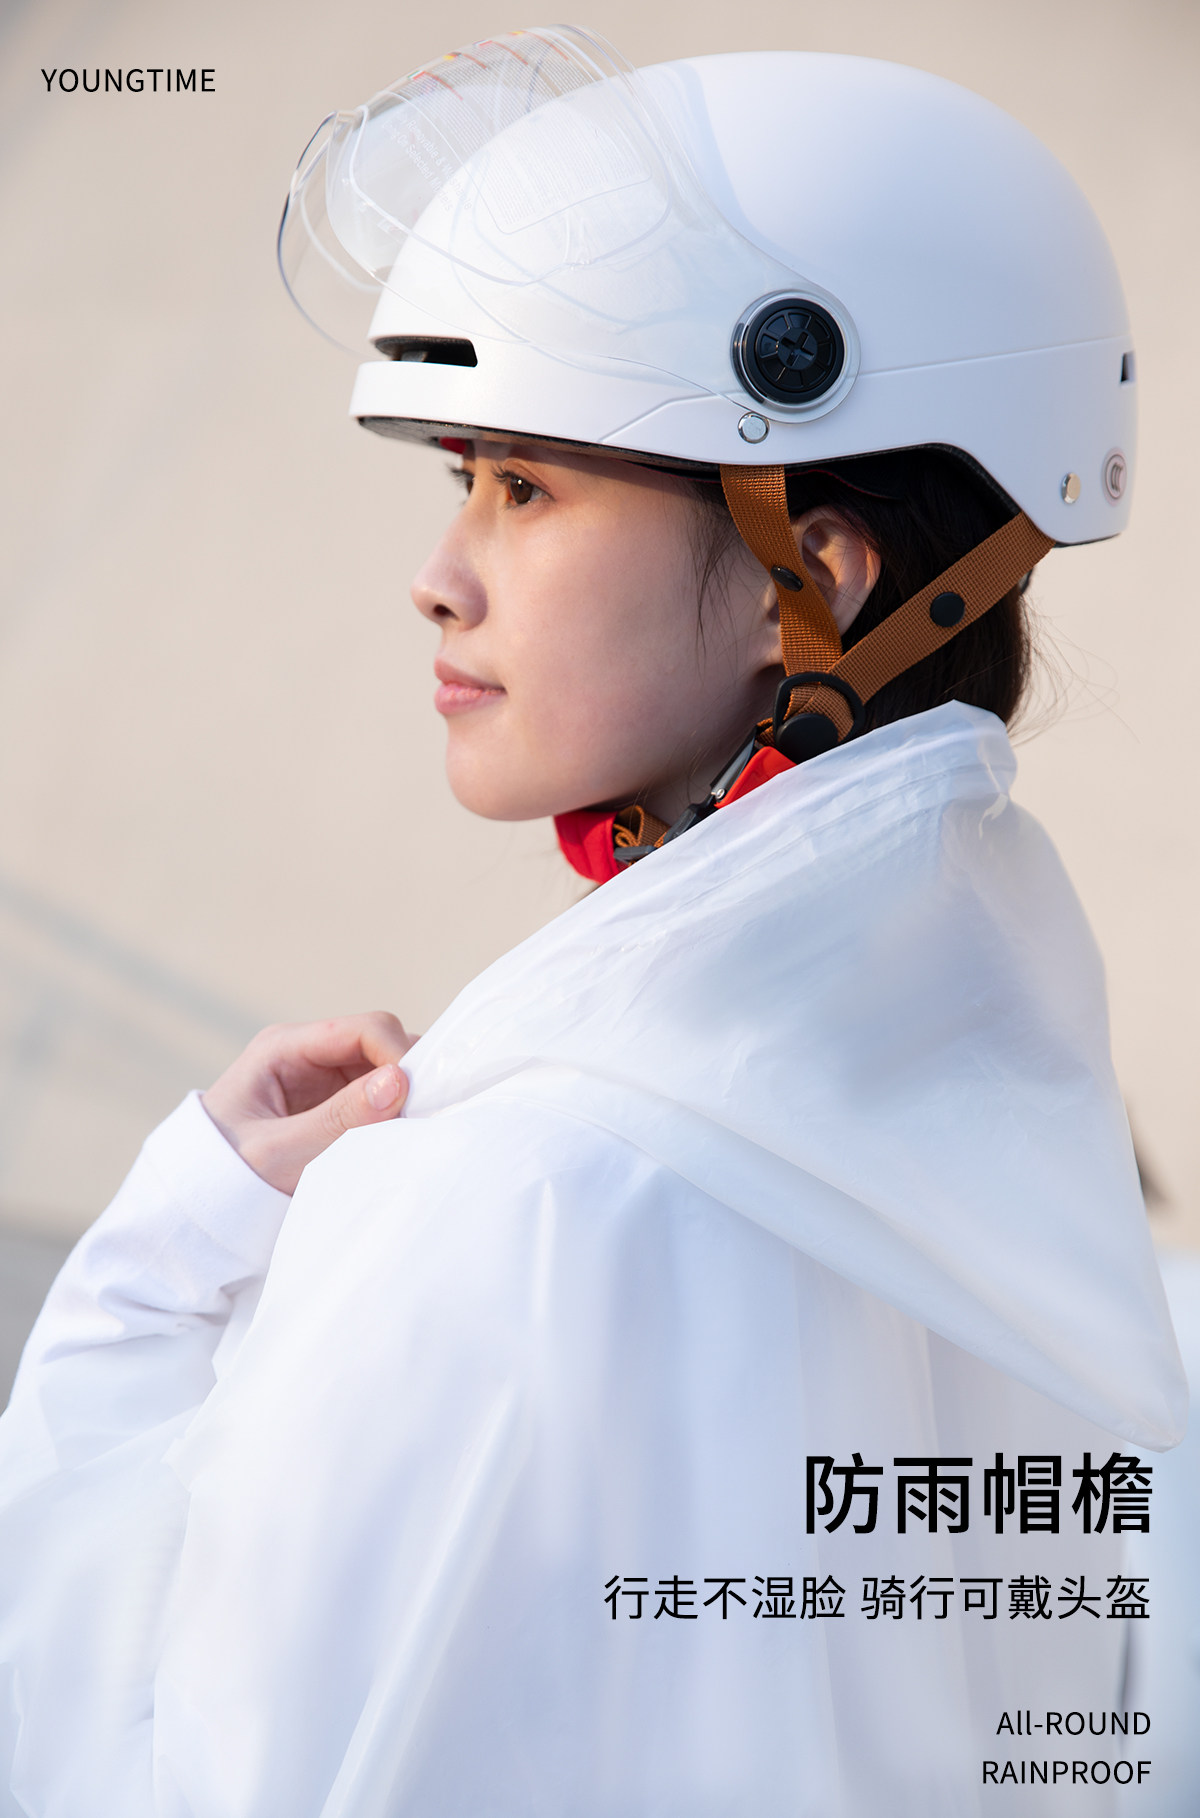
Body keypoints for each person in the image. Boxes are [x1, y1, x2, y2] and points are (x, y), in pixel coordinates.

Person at [0, 28, 1186, 1818]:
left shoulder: (509, 1197)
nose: (437, 576)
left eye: (526, 486)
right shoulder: (1031, 1142)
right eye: (458, 482)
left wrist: (165, 1270)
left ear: (812, 579)